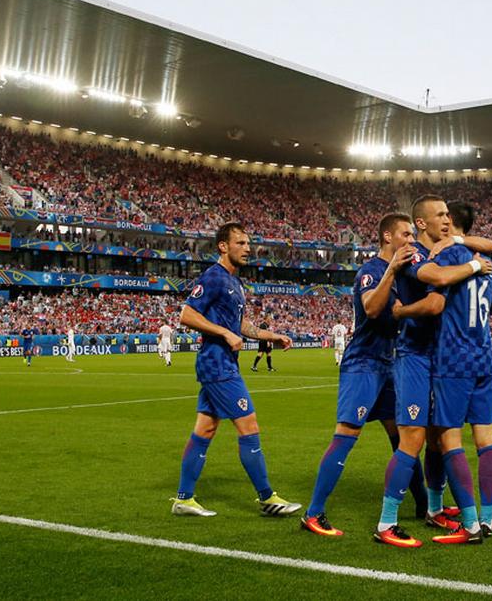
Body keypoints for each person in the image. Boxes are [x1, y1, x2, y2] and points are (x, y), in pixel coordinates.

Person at [373, 194, 492, 548]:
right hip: (415, 356)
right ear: (422, 223)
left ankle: (433, 508)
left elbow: (491, 245)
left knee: (437, 439)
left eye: (449, 214)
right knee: (413, 437)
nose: (447, 219)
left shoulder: (449, 247)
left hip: (441, 357)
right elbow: (436, 297)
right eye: (440, 215)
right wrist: (475, 267)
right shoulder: (415, 254)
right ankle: (386, 522)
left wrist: (460, 242)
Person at [170, 223, 302, 518]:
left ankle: (183, 499)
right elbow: (187, 314)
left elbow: (240, 326)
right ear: (223, 246)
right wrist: (225, 334)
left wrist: (273, 336)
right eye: (241, 243)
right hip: (217, 364)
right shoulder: (214, 277)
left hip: (223, 364)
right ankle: (267, 497)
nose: (247, 248)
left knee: (204, 429)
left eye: (247, 243)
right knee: (249, 425)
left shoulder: (236, 283)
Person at [302, 213, 420, 538]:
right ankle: (313, 513)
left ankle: (426, 507)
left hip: (392, 365)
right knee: (347, 433)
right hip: (364, 363)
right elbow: (371, 308)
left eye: (413, 235)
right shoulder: (371, 271)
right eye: (405, 235)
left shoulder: (407, 273)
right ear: (387, 237)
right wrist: (393, 270)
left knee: (407, 436)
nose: (411, 240)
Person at [415, 201, 492, 543]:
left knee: (446, 439)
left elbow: (430, 281)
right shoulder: (489, 263)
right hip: (483, 357)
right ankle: (488, 518)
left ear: (449, 221)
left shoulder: (447, 256)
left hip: (453, 359)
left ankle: (467, 525)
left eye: (443, 215)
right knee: (486, 438)